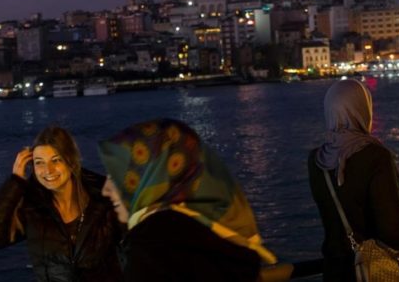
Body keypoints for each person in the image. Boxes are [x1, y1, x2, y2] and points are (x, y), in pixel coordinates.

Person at [98, 118, 277, 282]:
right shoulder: (222, 234)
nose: (105, 190)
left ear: (150, 178)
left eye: (116, 177)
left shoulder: (153, 246)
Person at [308, 79, 399, 281]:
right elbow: (392, 227)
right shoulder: (375, 156)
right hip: (373, 271)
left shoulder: (316, 160)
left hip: (334, 271)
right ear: (363, 108)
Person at [0, 126, 123, 282]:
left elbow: (137, 246)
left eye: (56, 160)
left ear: (71, 162)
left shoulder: (104, 199)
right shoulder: (32, 206)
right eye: (39, 162)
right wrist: (16, 181)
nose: (48, 170)